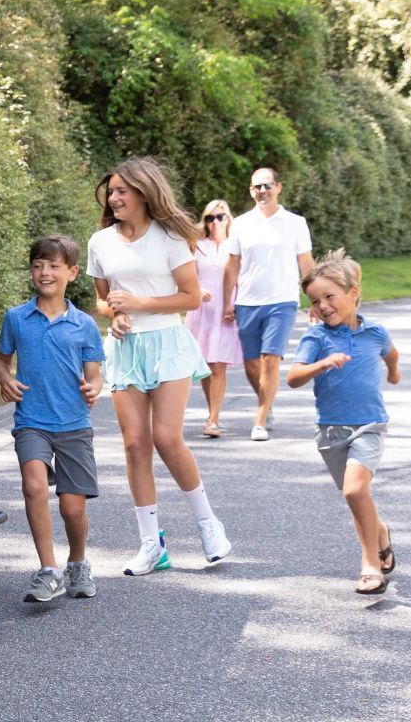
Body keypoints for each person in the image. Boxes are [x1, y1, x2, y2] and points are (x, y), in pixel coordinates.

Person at [87, 157, 233, 576]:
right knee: (135, 445)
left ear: (144, 193)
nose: (113, 198)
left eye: (121, 191)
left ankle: (208, 524)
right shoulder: (101, 242)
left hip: (167, 342)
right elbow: (103, 300)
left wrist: (140, 303)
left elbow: (191, 297)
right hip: (125, 348)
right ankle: (152, 544)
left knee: (167, 438)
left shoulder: (170, 237)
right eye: (111, 191)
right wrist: (113, 315)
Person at [0, 235, 106, 602]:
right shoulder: (17, 318)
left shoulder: (85, 325)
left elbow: (94, 374)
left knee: (72, 508)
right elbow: (1, 361)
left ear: (72, 273)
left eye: (54, 266)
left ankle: (78, 562)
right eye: (38, 265)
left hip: (74, 423)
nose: (44, 272)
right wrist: (5, 379)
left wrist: (93, 388)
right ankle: (48, 570)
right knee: (34, 486)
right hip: (32, 420)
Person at [287, 250, 401, 595]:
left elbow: (390, 353)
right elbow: (293, 377)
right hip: (331, 431)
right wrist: (322, 364)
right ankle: (379, 533)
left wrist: (394, 372)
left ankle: (370, 565)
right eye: (315, 300)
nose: (322, 306)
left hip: (369, 425)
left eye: (329, 296)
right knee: (356, 496)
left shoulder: (375, 333)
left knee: (354, 489)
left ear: (353, 294)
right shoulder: (317, 338)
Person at [223, 166, 315, 441]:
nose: (262, 191)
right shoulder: (240, 224)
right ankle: (267, 402)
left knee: (270, 361)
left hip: (282, 301)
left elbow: (306, 263)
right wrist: (229, 300)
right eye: (256, 187)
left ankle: (260, 420)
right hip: (248, 301)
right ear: (251, 191)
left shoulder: (295, 223)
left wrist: (316, 299)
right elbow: (232, 265)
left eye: (266, 186)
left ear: (278, 187)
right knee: (252, 364)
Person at [187, 199, 244, 437]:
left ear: (228, 218)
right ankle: (212, 411)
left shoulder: (235, 244)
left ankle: (213, 419)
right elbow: (188, 276)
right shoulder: (198, 246)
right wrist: (197, 290)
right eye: (210, 218)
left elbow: (242, 275)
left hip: (226, 310)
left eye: (220, 217)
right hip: (202, 310)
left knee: (219, 365)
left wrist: (235, 304)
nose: (215, 222)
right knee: (206, 365)